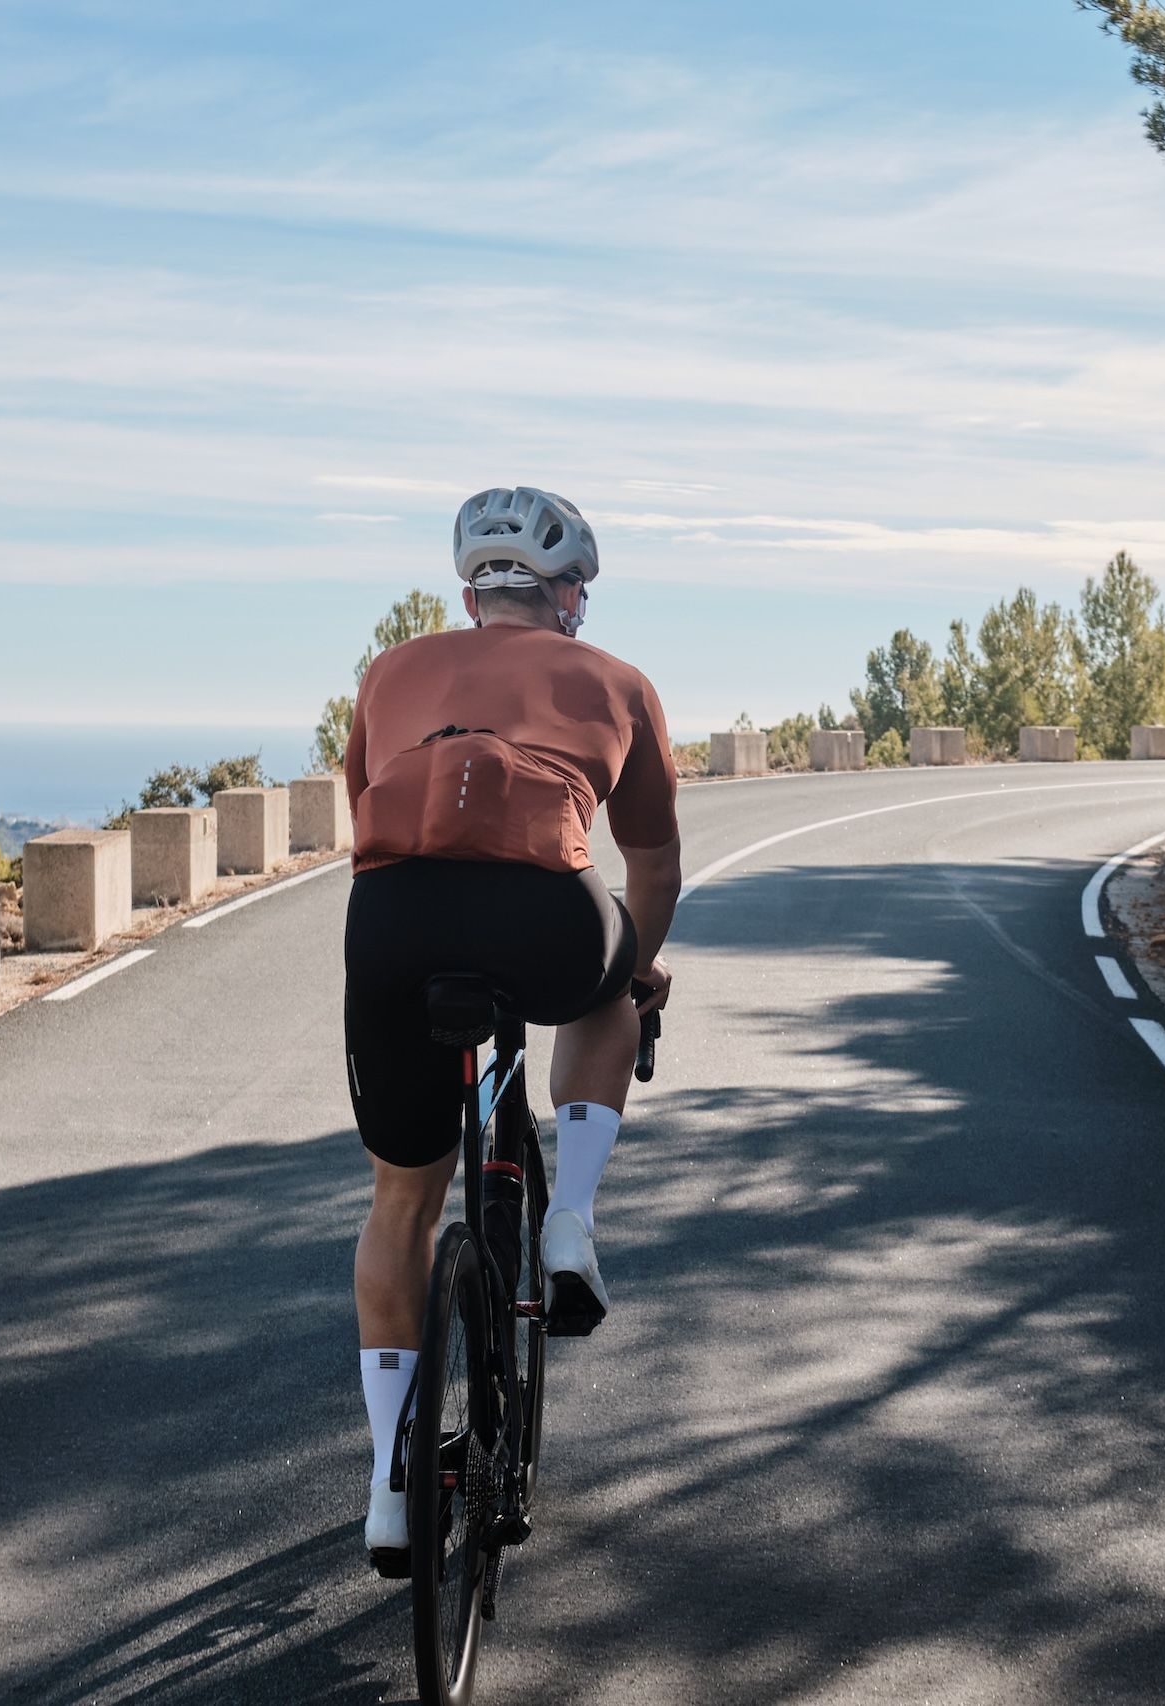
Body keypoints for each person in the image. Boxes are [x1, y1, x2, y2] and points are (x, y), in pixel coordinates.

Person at [342, 485, 681, 1571]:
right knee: (607, 986)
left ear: (469, 590)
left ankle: (391, 1487)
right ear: (569, 594)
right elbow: (654, 860)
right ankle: (570, 1217)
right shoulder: (618, 681)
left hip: (392, 920)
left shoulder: (390, 671)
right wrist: (638, 963)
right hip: (545, 911)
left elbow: (363, 803)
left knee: (401, 1196)